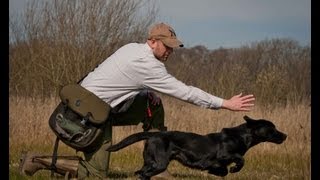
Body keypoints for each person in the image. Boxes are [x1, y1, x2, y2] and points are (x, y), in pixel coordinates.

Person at [19, 22, 255, 179]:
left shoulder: (131, 48)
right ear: (152, 41)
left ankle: (157, 163)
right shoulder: (148, 66)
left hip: (96, 107)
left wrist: (144, 93)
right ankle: (36, 160)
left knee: (152, 103)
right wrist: (224, 103)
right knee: (96, 174)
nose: (170, 52)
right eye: (166, 47)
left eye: (172, 48)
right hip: (88, 119)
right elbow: (184, 92)